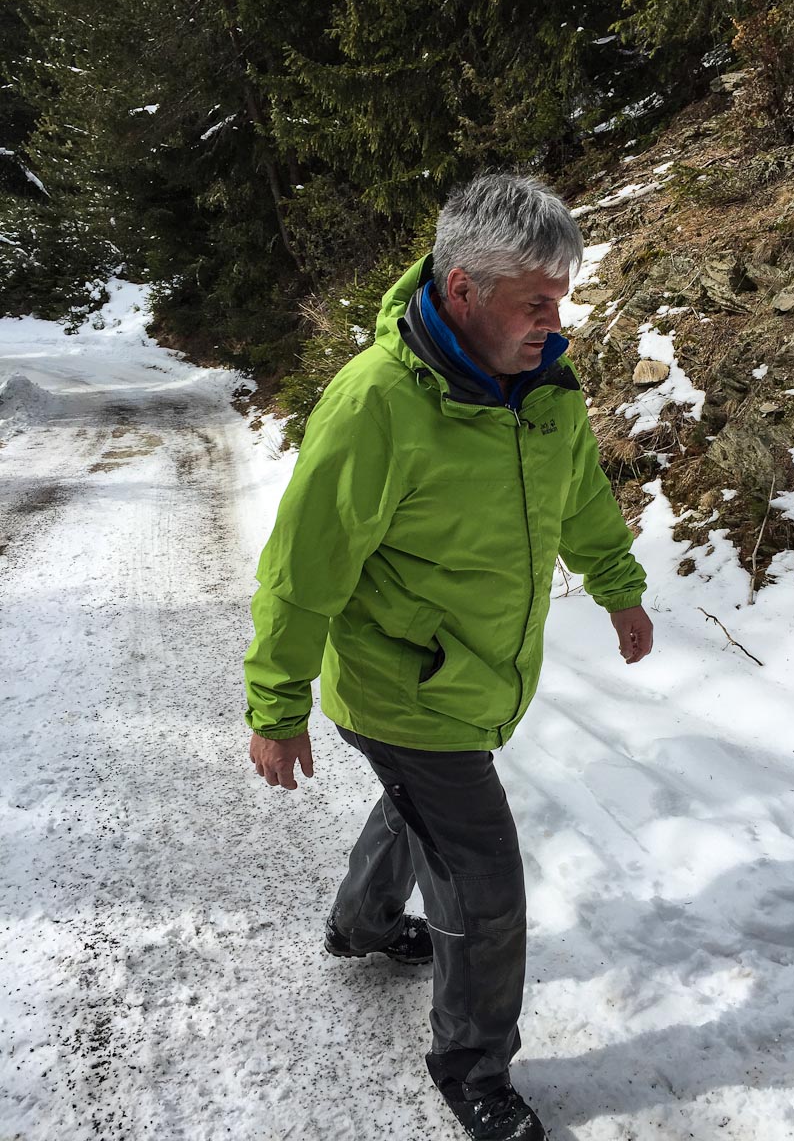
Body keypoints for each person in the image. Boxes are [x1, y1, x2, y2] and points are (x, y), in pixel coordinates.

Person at [244, 173, 653, 1141]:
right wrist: (276, 703)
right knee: (484, 885)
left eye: (562, 299)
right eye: (535, 302)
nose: (555, 323)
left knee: (416, 804)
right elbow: (303, 566)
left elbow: (580, 494)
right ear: (463, 288)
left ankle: (362, 926)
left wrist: (618, 584)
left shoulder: (544, 384)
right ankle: (472, 1067)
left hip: (470, 679)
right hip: (402, 686)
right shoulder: (377, 404)